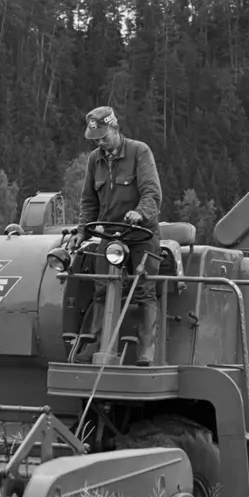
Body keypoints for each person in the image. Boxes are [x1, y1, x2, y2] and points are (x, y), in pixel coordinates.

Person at [74, 106, 163, 365]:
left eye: (103, 136)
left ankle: (145, 352)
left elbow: (152, 194)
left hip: (141, 234)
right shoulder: (95, 160)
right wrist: (82, 231)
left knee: (144, 289)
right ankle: (95, 346)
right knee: (101, 287)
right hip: (110, 235)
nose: (100, 143)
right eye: (95, 139)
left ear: (115, 128)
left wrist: (140, 213)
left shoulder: (139, 152)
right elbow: (88, 201)